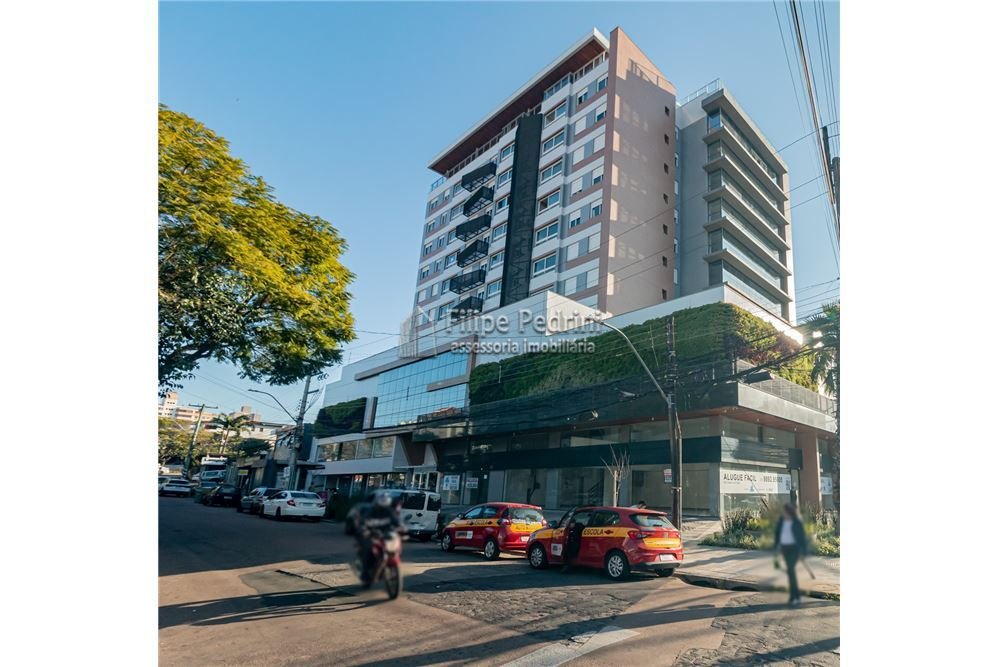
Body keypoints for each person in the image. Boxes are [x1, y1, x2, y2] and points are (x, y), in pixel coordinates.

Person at [357, 491, 403, 588]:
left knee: (394, 544)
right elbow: (363, 522)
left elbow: (396, 521)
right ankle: (365, 573)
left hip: (386, 535)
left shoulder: (389, 511)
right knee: (368, 550)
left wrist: (401, 527)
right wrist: (364, 529)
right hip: (373, 535)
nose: (383, 507)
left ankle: (384, 567)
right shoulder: (371, 511)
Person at [773, 503, 809, 607]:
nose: (783, 513)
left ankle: (794, 596)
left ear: (790, 512)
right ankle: (795, 596)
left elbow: (802, 538)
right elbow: (777, 534)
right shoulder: (781, 521)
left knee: (791, 570)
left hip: (794, 549)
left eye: (785, 512)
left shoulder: (797, 522)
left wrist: (803, 552)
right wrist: (776, 547)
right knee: (790, 572)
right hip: (784, 549)